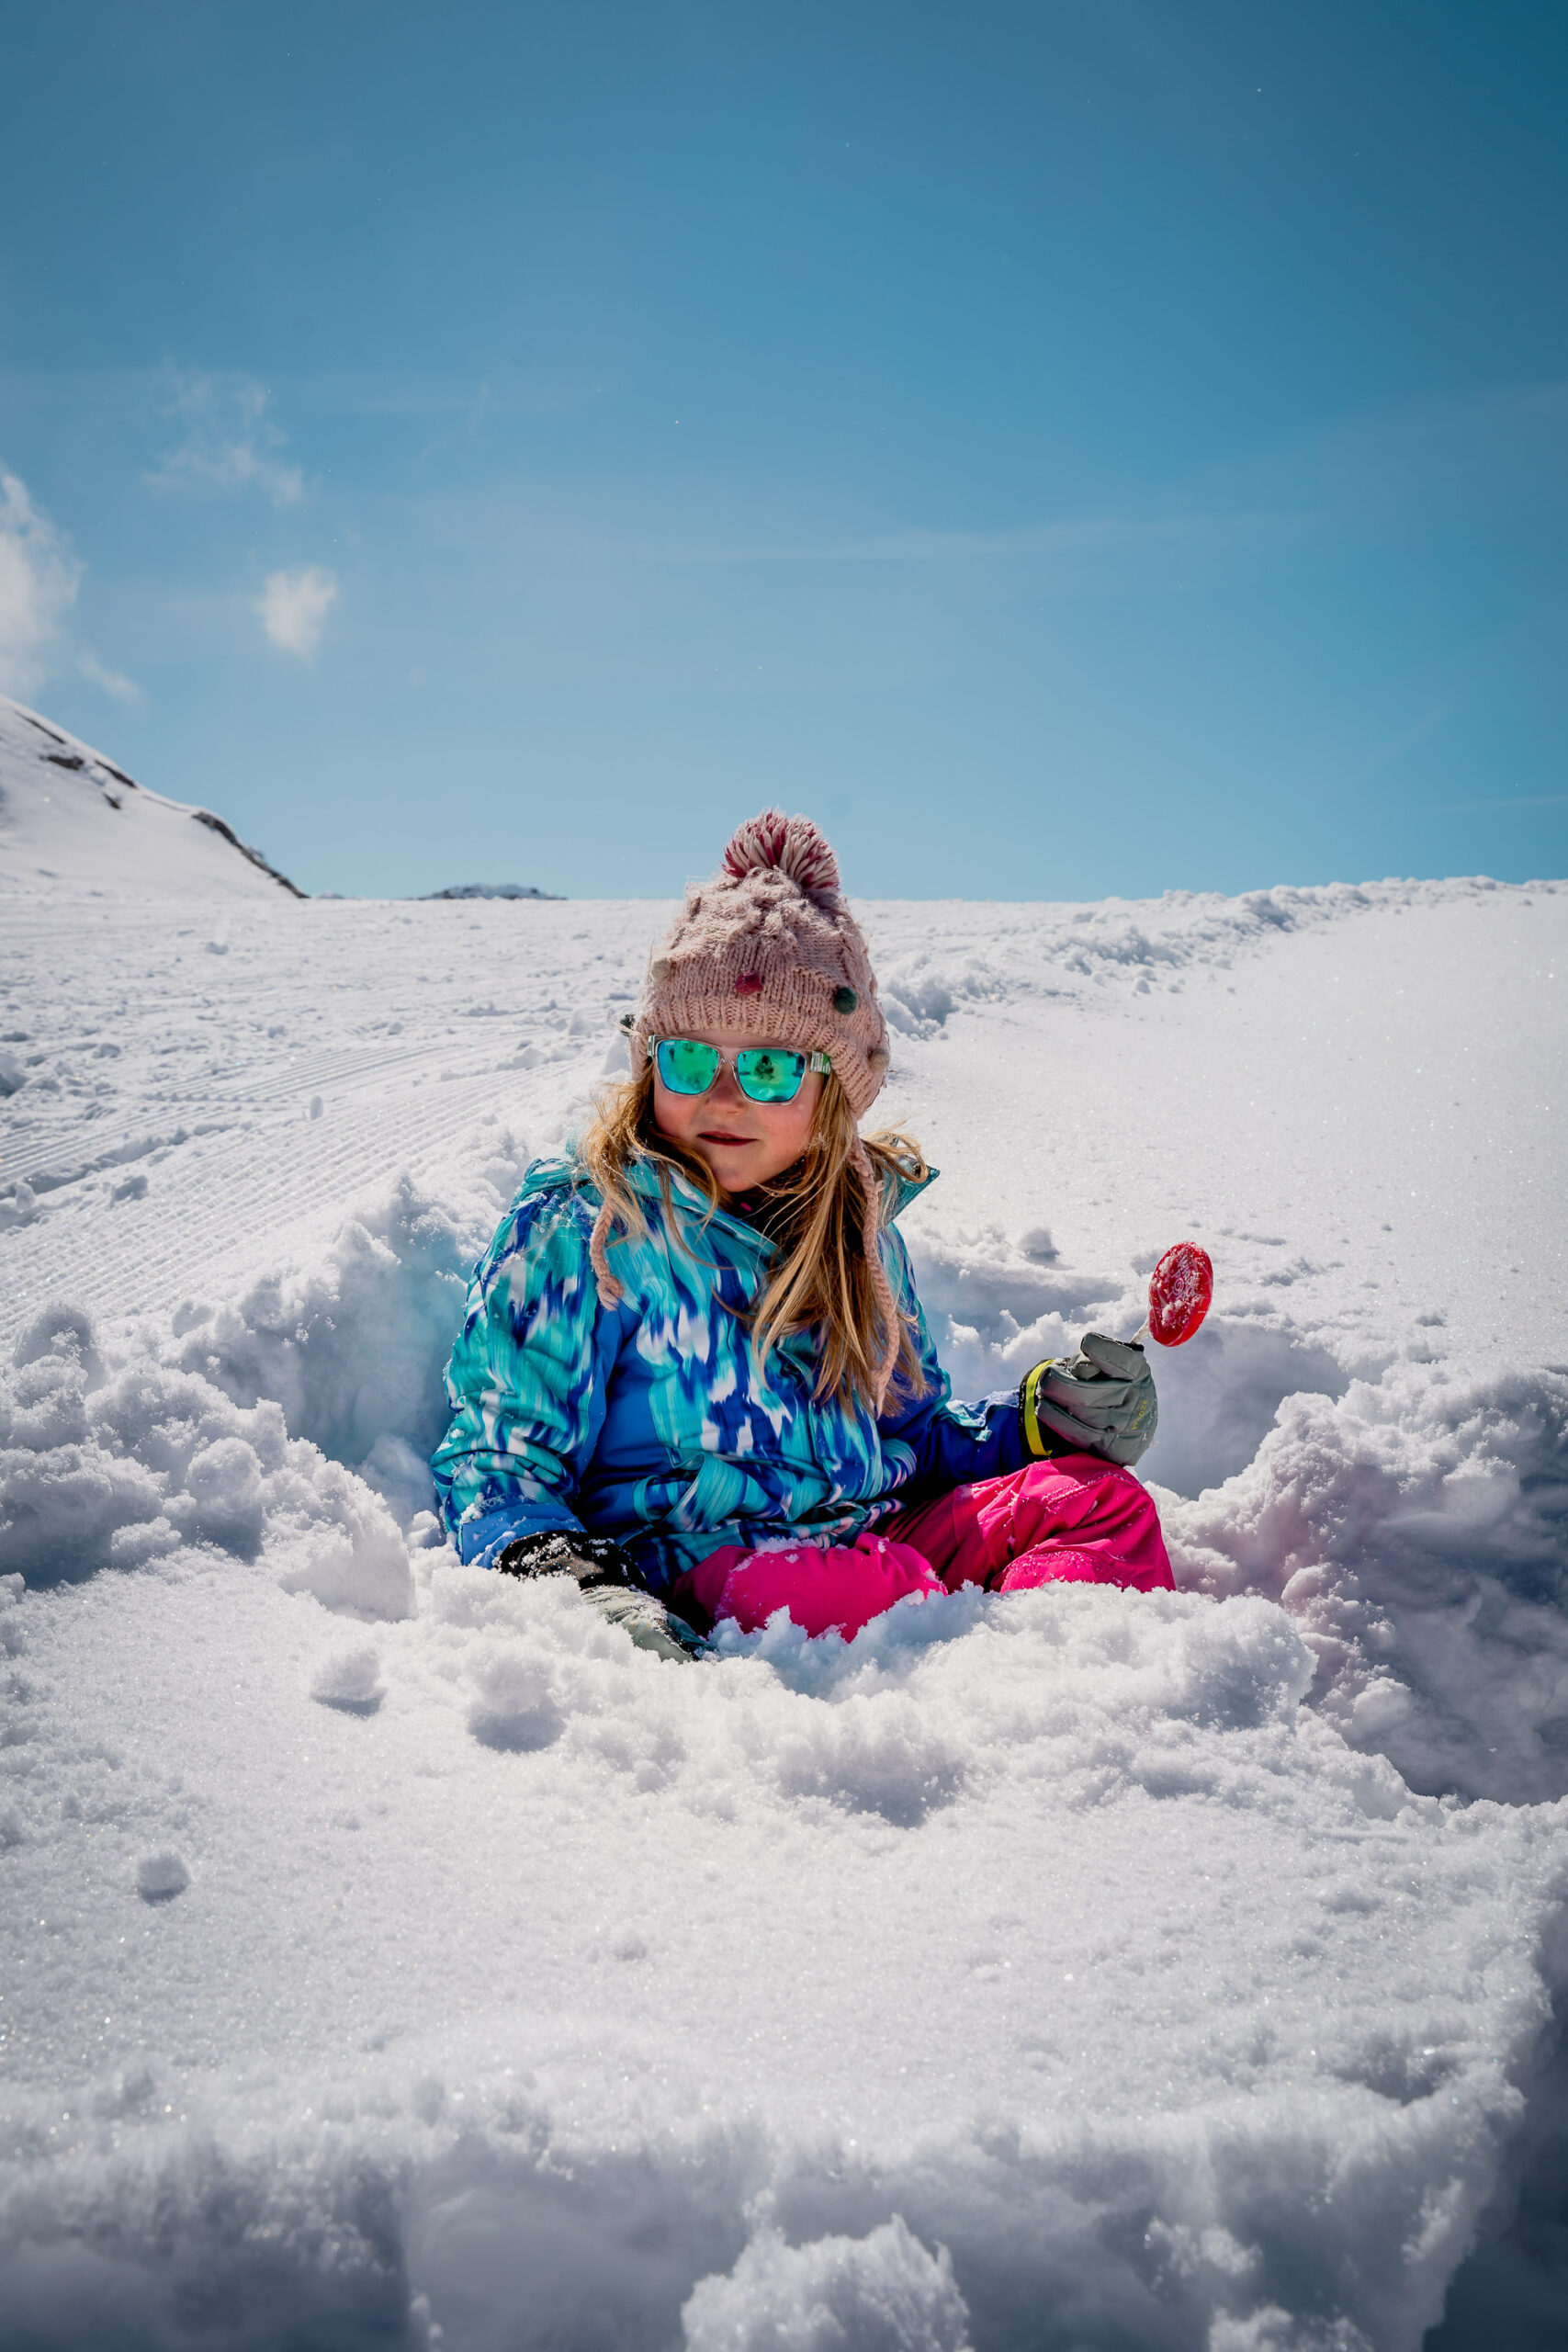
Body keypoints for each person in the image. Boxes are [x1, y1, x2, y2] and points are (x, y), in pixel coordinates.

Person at [432, 810, 1171, 1659]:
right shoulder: (589, 1227)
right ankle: (946, 1666)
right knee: (852, 1587)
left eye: (770, 1067)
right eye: (687, 1058)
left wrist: (1037, 1424)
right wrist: (581, 1586)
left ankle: (1054, 1678)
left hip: (871, 1541)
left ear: (833, 1093)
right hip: (697, 1565)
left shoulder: (859, 1239)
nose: (722, 1096)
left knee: (1097, 1503)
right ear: (647, 1065)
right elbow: (498, 1463)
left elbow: (909, 1438)